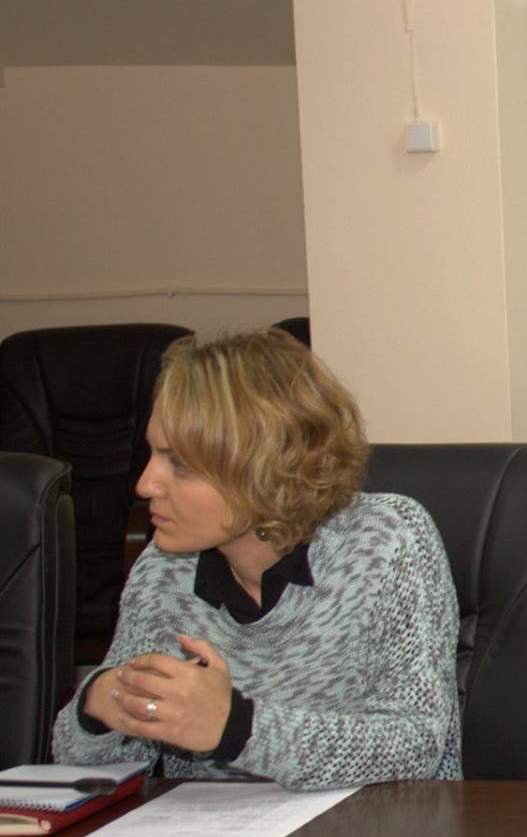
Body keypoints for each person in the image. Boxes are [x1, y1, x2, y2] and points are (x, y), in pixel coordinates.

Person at [52, 329, 462, 789]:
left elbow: (417, 745)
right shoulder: (164, 569)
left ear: (262, 470)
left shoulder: (384, 540)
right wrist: (98, 708)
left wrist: (235, 728)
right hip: (212, 833)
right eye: (152, 454)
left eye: (179, 464)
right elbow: (96, 773)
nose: (145, 484)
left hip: (383, 829)